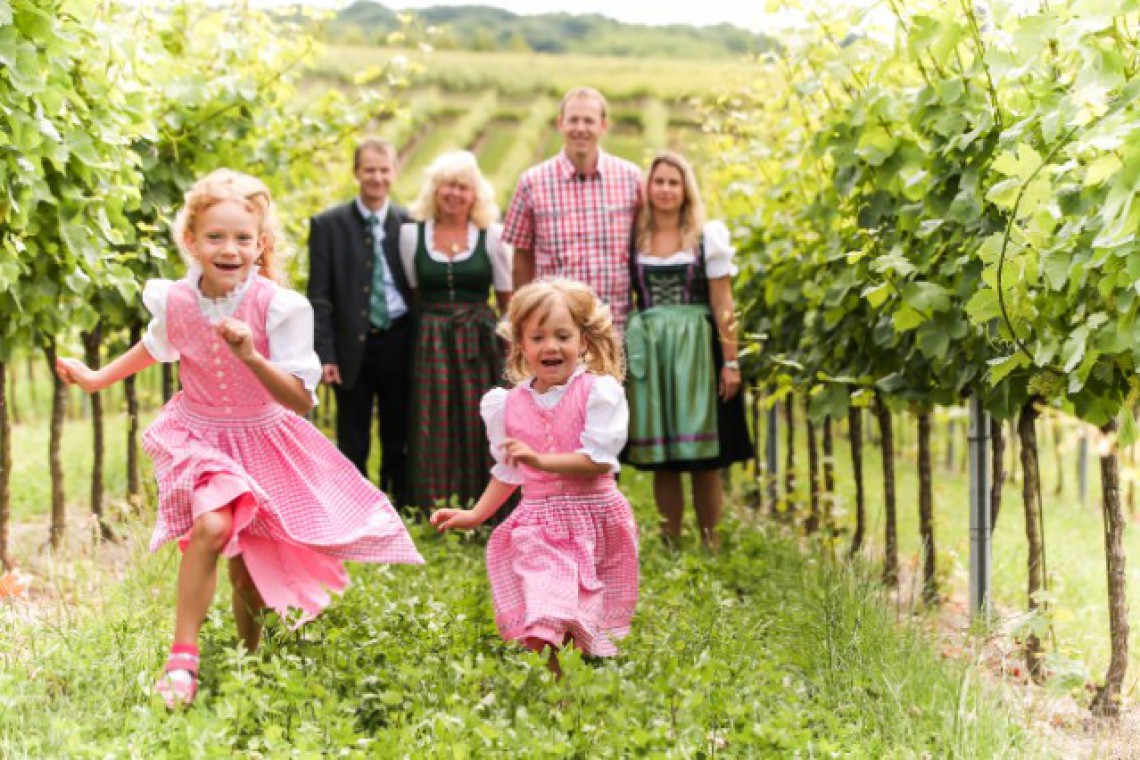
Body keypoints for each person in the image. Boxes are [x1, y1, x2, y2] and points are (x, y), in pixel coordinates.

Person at [56, 169, 424, 708]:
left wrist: (251, 355)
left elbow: (300, 399)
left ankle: (248, 663)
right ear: (192, 241)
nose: (229, 249)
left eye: (243, 238)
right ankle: (182, 662)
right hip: (199, 435)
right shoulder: (177, 299)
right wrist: (95, 378)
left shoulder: (279, 307)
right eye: (215, 237)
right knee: (211, 524)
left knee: (247, 574)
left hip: (263, 439)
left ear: (261, 244)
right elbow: (154, 346)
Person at [430, 279, 638, 677]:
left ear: (583, 342)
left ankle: (583, 683)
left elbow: (599, 459)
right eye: (537, 337)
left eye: (563, 335)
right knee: (545, 604)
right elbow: (509, 471)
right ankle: (555, 684)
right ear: (521, 346)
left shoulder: (599, 393)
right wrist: (475, 515)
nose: (550, 347)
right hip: (540, 524)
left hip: (595, 520)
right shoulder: (507, 404)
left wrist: (541, 460)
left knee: (584, 612)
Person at [624, 152, 754, 550]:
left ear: (685, 190)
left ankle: (710, 540)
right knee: (664, 457)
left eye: (673, 182)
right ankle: (669, 539)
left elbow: (723, 303)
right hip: (652, 352)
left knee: (704, 458)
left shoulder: (706, 236)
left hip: (697, 352)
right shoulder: (636, 237)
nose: (665, 189)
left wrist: (730, 361)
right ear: (648, 188)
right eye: (658, 181)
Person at [399, 150, 512, 510]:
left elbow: (507, 298)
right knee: (435, 416)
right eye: (448, 185)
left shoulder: (491, 235)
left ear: (475, 194)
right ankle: (435, 501)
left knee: (480, 415)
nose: (454, 193)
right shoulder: (412, 235)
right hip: (431, 336)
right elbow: (414, 292)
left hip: (480, 337)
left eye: (463, 187)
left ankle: (483, 503)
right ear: (435, 190)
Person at [308, 138, 413, 504]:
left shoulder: (409, 223)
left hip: (399, 338)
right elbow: (319, 295)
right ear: (356, 172)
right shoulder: (327, 225)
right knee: (352, 431)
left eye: (384, 170)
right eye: (369, 170)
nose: (377, 178)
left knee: (397, 427)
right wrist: (326, 354)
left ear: (394, 173)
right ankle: (355, 504)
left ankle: (398, 501)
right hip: (350, 343)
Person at [503, 86, 641, 328]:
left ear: (603, 126)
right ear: (560, 124)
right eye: (573, 120)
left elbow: (643, 247)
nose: (580, 129)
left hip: (614, 324)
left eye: (589, 121)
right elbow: (522, 258)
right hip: (553, 329)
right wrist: (524, 319)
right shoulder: (532, 182)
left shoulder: (631, 179)